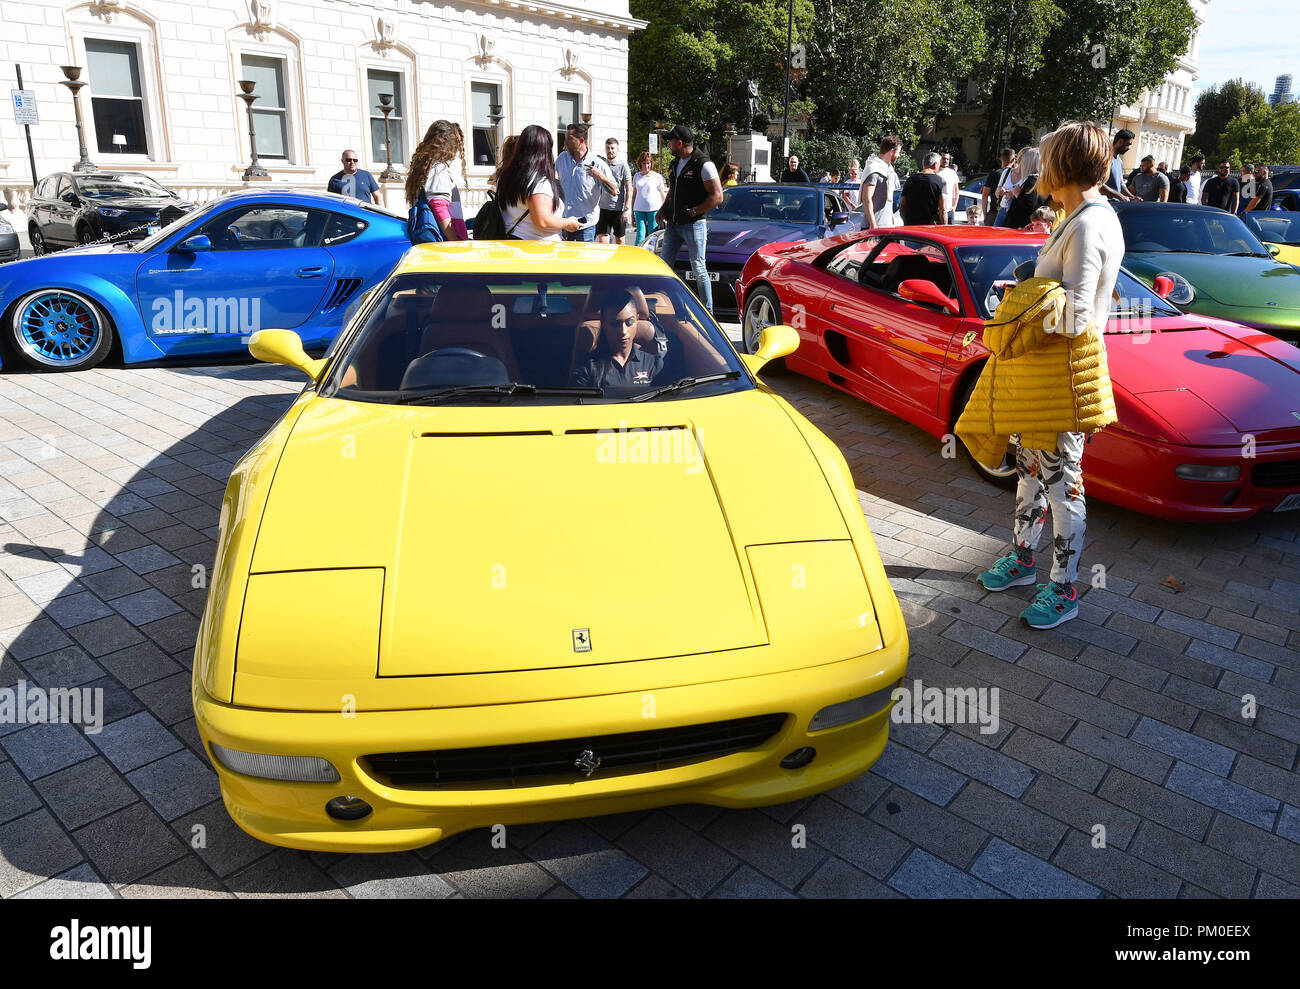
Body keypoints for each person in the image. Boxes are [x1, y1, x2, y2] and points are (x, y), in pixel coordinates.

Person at [971, 120, 1123, 630]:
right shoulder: (1080, 216)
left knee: (1063, 484)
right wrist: (1030, 286)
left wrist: (1020, 304)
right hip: (1049, 375)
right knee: (1033, 471)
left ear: (1060, 166)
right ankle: (1022, 559)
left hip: (1063, 377)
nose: (1039, 170)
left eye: (1046, 160)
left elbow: (1075, 315)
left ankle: (1063, 589)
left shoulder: (1085, 223)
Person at [657, 124, 724, 312]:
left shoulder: (703, 164)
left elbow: (717, 196)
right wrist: (663, 208)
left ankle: (708, 312)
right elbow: (672, 191)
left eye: (670, 141)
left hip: (694, 225)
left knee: (699, 269)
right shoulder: (675, 162)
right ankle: (671, 308)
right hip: (673, 224)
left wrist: (695, 211)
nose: (668, 144)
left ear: (679, 143)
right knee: (663, 268)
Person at [496, 124, 582, 241]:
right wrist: (568, 223)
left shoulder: (505, 176)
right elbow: (542, 220)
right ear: (544, 149)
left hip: (513, 242)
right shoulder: (538, 181)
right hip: (538, 249)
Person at [571, 289, 668, 390]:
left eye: (629, 322)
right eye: (615, 324)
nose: (623, 331)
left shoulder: (653, 364)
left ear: (637, 319)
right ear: (604, 324)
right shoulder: (588, 367)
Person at [404, 121, 470, 240]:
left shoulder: (425, 167)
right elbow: (439, 205)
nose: (457, 150)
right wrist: (455, 242)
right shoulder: (438, 167)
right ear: (447, 144)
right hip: (446, 243)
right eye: (456, 144)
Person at [556, 122, 617, 242]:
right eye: (565, 138)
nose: (565, 142)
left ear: (581, 140)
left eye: (569, 139)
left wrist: (600, 176)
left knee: (583, 260)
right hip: (564, 223)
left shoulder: (598, 164)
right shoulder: (562, 158)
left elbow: (614, 191)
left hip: (585, 226)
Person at [596, 137, 633, 244]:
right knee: (603, 241)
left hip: (618, 210)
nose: (610, 151)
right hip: (603, 209)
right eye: (608, 148)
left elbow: (629, 189)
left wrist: (627, 209)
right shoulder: (601, 165)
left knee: (620, 241)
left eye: (612, 148)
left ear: (617, 150)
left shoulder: (623, 166)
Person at [861, 136, 902, 228]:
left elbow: (889, 200)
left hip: (887, 226)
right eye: (898, 152)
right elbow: (866, 198)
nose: (899, 155)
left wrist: (892, 221)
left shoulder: (888, 170)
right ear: (891, 151)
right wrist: (873, 224)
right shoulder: (874, 170)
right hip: (873, 227)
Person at [1002, 147, 1048, 229]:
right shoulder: (1039, 180)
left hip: (1020, 226)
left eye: (1023, 161)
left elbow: (1029, 204)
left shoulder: (1032, 180)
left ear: (1029, 163)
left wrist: (1017, 194)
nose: (1021, 164)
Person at [899, 152, 946, 225]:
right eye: (939, 165)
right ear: (935, 164)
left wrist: (906, 221)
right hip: (929, 227)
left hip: (910, 228)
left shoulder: (910, 180)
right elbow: (943, 209)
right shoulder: (940, 181)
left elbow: (902, 206)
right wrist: (944, 227)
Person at [632, 151, 667, 245]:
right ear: (640, 163)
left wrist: (664, 211)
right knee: (640, 234)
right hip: (639, 209)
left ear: (651, 163)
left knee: (652, 235)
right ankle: (637, 256)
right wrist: (632, 214)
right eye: (644, 163)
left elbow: (663, 196)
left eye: (648, 163)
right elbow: (634, 196)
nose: (646, 166)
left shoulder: (657, 177)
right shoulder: (636, 176)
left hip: (654, 209)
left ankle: (651, 255)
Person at [1100, 129, 1137, 201]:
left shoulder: (1119, 161)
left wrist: (1132, 197)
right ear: (1120, 142)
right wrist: (1119, 196)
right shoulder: (1105, 158)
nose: (1129, 148)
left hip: (1116, 204)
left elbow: (1121, 184)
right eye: (1128, 144)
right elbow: (1098, 184)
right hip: (1104, 204)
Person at [983, 149, 1015, 225]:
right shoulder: (1016, 174)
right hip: (1009, 213)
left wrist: (985, 214)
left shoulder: (994, 174)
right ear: (1013, 160)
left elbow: (985, 195)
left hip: (994, 212)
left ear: (1001, 158)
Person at [937, 152, 960, 223]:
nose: (946, 161)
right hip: (937, 211)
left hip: (949, 210)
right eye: (943, 158)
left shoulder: (952, 173)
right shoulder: (935, 172)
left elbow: (956, 191)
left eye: (947, 159)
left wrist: (954, 207)